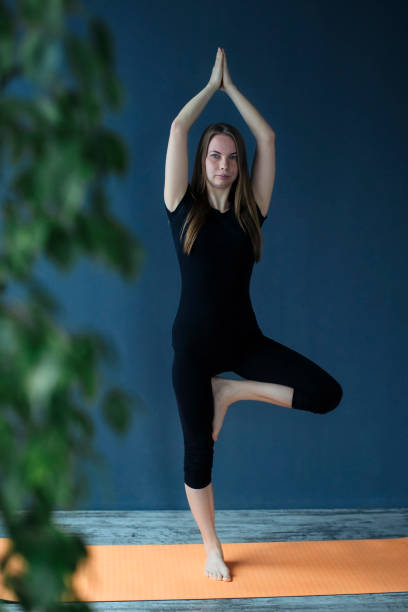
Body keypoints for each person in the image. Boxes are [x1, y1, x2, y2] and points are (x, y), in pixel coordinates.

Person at [164, 48, 343, 582]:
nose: (223, 164)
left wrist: (234, 89)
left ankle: (232, 391)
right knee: (199, 456)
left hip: (244, 343)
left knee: (324, 394)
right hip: (193, 350)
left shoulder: (250, 212)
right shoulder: (182, 208)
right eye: (215, 156)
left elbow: (267, 138)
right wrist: (210, 87)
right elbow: (178, 126)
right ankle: (212, 546)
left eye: (231, 157)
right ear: (202, 162)